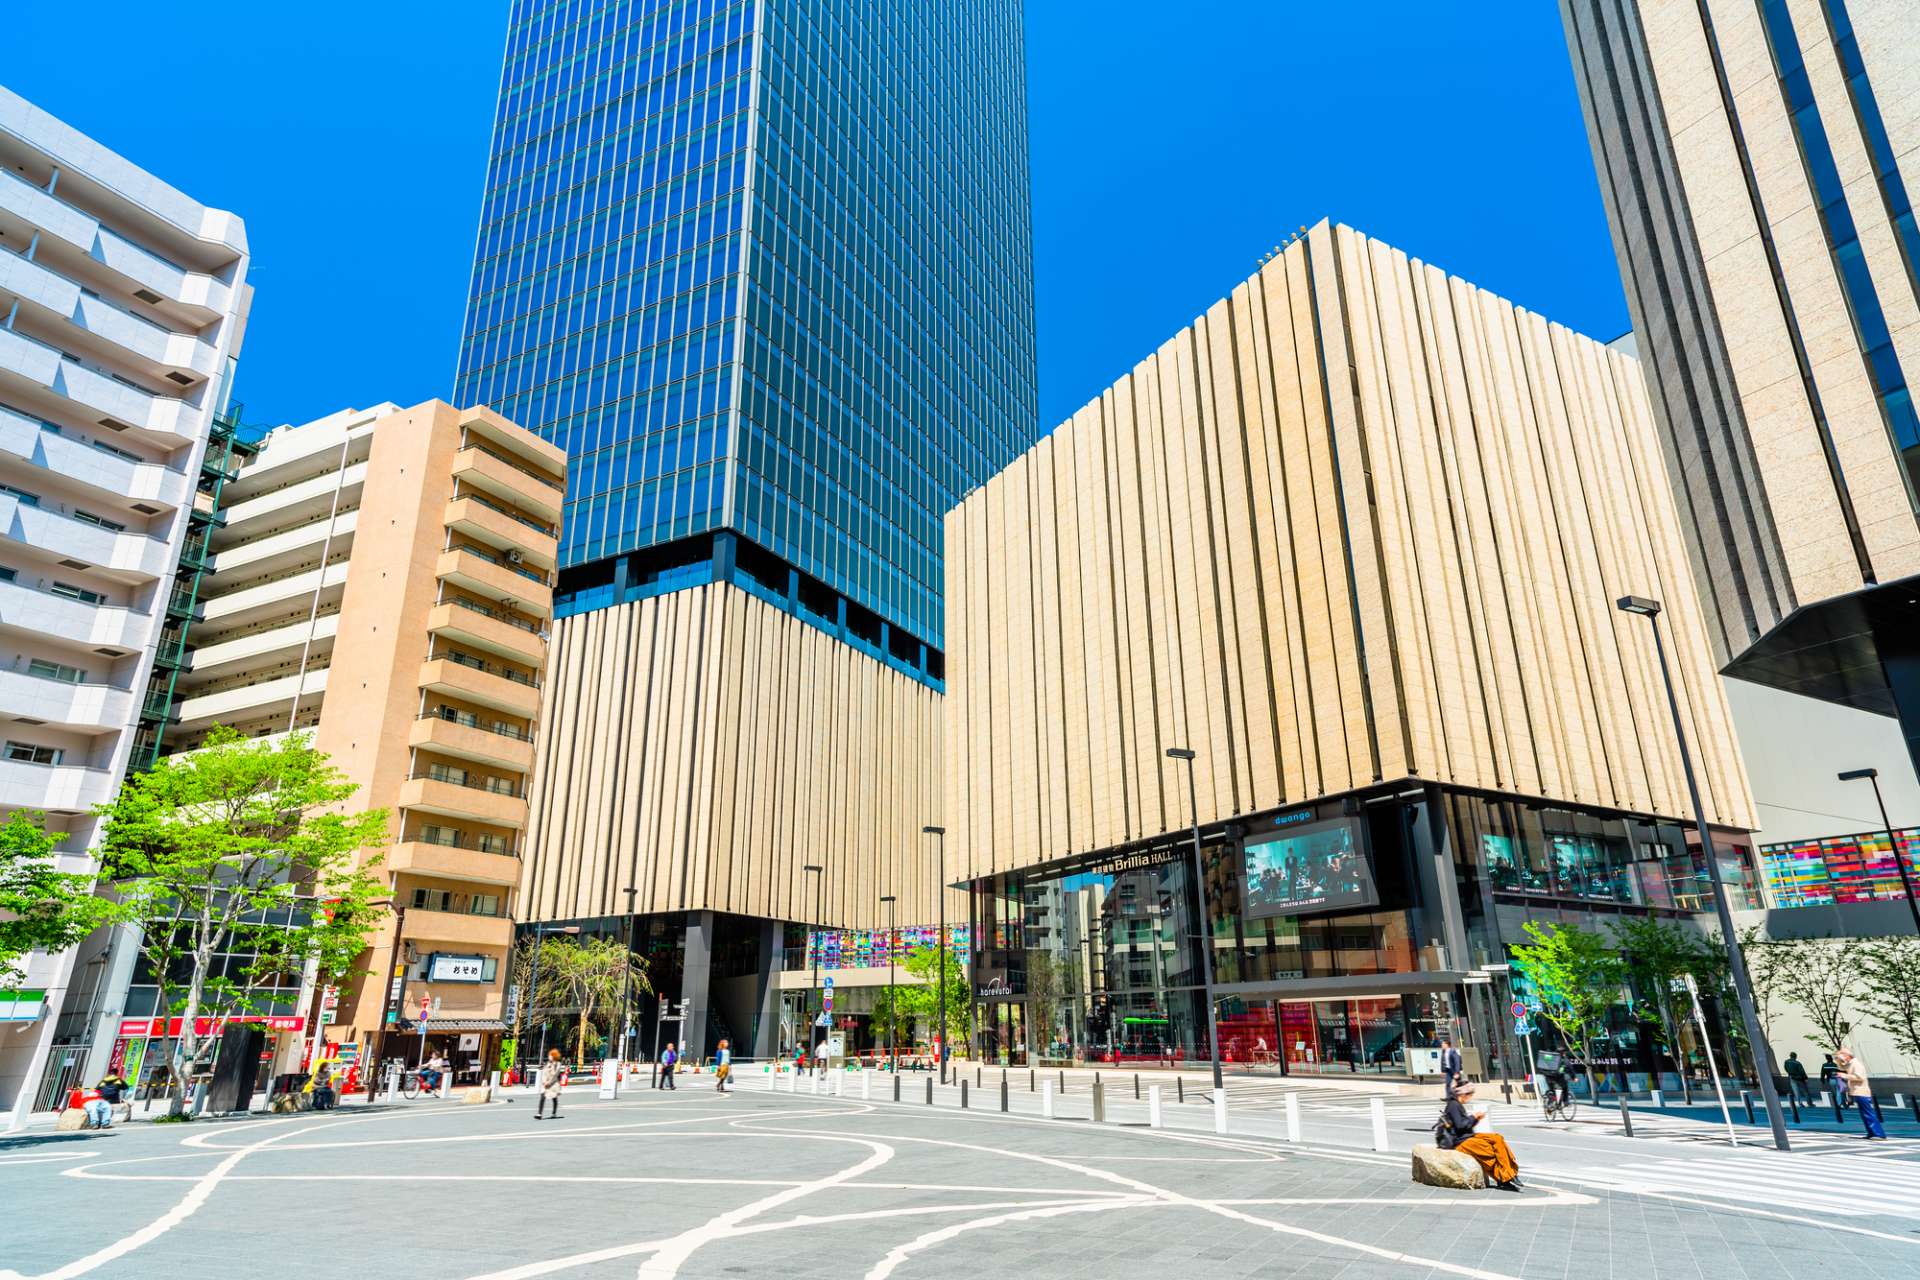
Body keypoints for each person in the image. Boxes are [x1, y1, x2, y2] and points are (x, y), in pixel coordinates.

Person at [1436, 1082, 1524, 1191]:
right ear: (1463, 1094)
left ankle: (1509, 1174)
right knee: (1489, 1150)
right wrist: (1474, 1117)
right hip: (1460, 1141)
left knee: (1497, 1138)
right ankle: (1506, 1178)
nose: (1470, 1097)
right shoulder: (1453, 1105)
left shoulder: (1457, 1104)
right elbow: (1460, 1126)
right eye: (1470, 1095)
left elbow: (1465, 1125)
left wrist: (1476, 1119)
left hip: (1468, 1136)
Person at [1836, 1050, 1885, 1139]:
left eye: (1842, 1055)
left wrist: (1844, 1076)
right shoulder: (1851, 1063)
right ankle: (1871, 1132)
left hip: (1862, 1092)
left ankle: (1879, 1134)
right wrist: (1838, 1060)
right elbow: (1842, 1067)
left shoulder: (1856, 1064)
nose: (1841, 1057)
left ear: (1847, 1056)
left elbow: (1860, 1077)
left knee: (1868, 1113)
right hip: (1857, 1092)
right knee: (1864, 1114)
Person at [534, 1048, 566, 1120]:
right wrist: (544, 1081)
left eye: (550, 1055)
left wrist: (549, 1082)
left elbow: (555, 1075)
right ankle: (539, 1113)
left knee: (554, 1098)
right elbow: (544, 1073)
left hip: (554, 1084)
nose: (549, 1057)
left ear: (554, 1056)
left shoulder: (558, 1064)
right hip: (546, 1084)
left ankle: (554, 1113)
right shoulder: (548, 1063)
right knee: (542, 1097)